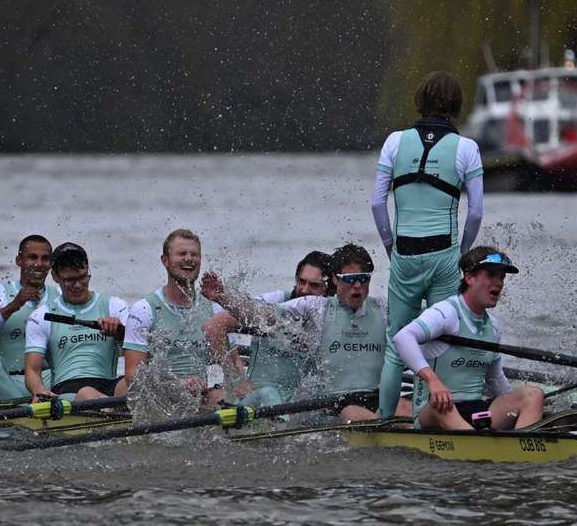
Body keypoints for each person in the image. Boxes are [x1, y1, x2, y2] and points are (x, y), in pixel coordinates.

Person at [372, 71, 485, 418]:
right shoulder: (467, 148)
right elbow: (476, 212)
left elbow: (378, 203)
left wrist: (391, 247)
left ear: (420, 101)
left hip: (405, 253)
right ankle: (426, 425)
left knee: (396, 345)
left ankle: (383, 422)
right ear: (455, 106)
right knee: (436, 345)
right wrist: (462, 255)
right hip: (445, 257)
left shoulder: (394, 141)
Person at [203, 244, 411, 421]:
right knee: (354, 413)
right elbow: (261, 316)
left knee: (405, 409)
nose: (357, 286)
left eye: (363, 278)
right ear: (335, 280)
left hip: (377, 395)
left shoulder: (384, 307)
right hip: (336, 404)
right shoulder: (315, 308)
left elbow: (428, 317)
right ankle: (385, 428)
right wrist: (223, 297)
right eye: (349, 279)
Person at [392, 246, 544, 430]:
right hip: (434, 412)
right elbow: (402, 338)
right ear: (469, 277)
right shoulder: (446, 312)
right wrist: (433, 380)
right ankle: (483, 446)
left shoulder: (493, 327)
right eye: (490, 275)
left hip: (475, 410)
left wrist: (522, 403)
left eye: (501, 277)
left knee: (533, 395)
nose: (498, 283)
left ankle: (521, 447)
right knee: (441, 403)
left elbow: (495, 380)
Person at [202, 251, 332, 408]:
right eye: (302, 282)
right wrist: (238, 380)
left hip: (301, 401)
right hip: (258, 395)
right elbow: (214, 326)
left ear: (328, 289)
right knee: (269, 393)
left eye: (314, 285)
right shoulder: (276, 301)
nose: (304, 290)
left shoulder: (334, 314)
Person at [122, 229, 225, 405]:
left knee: (221, 396)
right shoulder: (144, 309)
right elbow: (133, 377)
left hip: (200, 397)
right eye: (181, 254)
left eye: (194, 254)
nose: (189, 259)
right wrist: (177, 385)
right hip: (160, 401)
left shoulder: (214, 309)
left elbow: (230, 366)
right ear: (165, 261)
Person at [24, 243, 128, 402]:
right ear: (55, 277)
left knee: (137, 382)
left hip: (108, 384)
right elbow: (32, 369)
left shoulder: (115, 306)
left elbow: (138, 355)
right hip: (66, 390)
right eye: (70, 280)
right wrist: (39, 390)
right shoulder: (42, 316)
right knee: (87, 392)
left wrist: (120, 333)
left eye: (82, 277)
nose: (78, 285)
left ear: (88, 270)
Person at [0, 235, 60, 400]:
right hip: (6, 379)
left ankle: (38, 404)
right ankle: (29, 409)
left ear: (51, 265)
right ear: (19, 260)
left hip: (47, 380)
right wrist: (11, 307)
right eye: (32, 257)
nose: (39, 264)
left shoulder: (59, 296)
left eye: (45, 259)